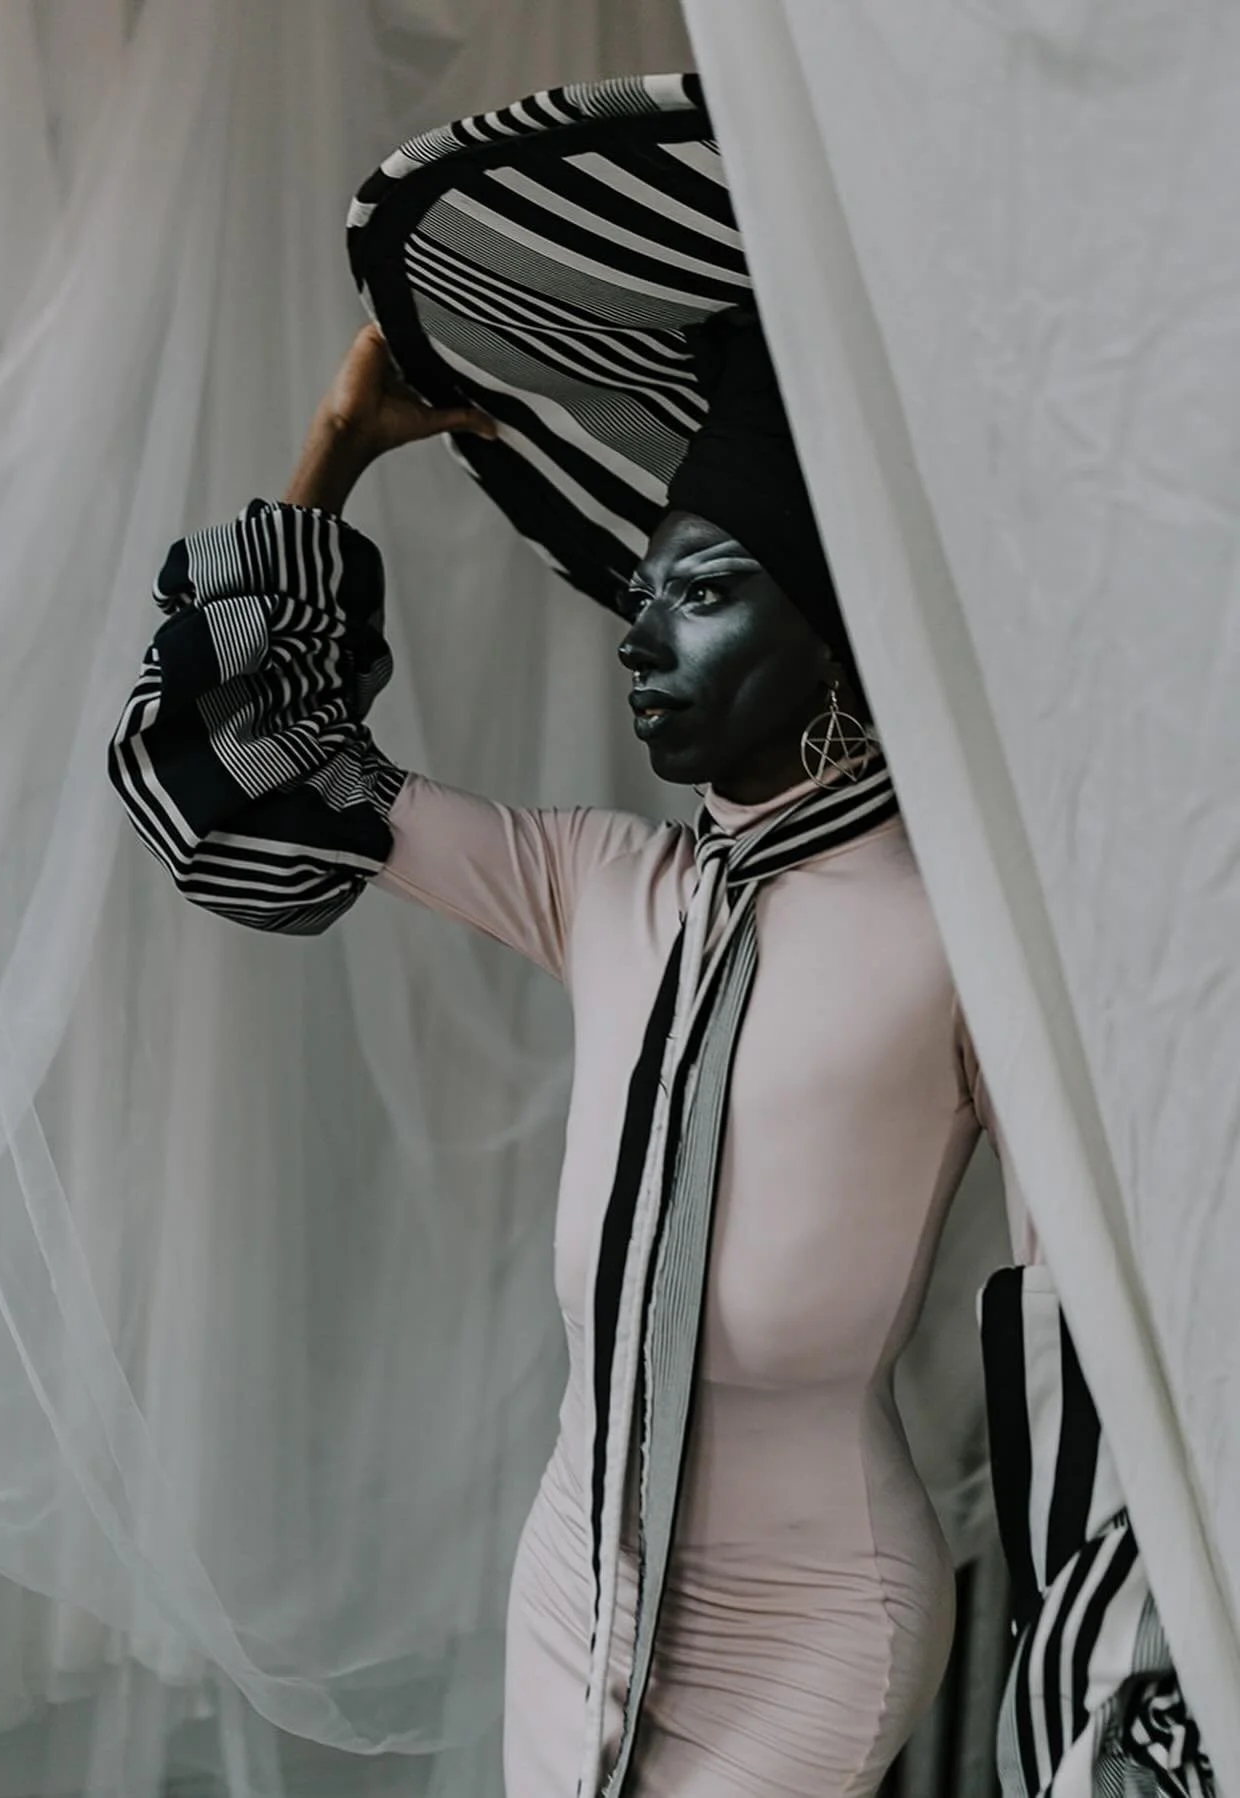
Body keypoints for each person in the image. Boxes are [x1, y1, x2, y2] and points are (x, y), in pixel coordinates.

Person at [108, 319, 1211, 1798]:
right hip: (571, 1585)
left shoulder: (967, 936)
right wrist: (339, 444)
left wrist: (1125, 1682)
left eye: (701, 592)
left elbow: (1088, 1316)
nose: (639, 637)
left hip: (818, 1619)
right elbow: (241, 775)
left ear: (836, 626)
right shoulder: (599, 881)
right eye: (639, 595)